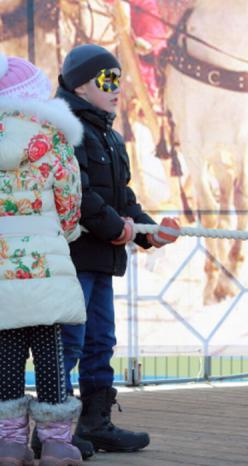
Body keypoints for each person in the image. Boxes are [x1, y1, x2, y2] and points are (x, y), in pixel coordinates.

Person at [47, 44, 181, 456]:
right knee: (69, 344)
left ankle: (95, 424)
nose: (117, 88)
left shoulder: (108, 133)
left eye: (119, 79)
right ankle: (54, 431)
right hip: (72, 260)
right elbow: (78, 194)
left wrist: (148, 233)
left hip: (102, 259)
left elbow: (121, 196)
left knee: (100, 342)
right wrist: (115, 228)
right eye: (107, 80)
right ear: (80, 86)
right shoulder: (65, 129)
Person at [0, 54, 85, 465]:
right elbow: (69, 200)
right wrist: (62, 233)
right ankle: (55, 444)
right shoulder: (52, 137)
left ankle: (9, 444)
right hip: (46, 263)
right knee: (50, 351)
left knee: (6, 353)